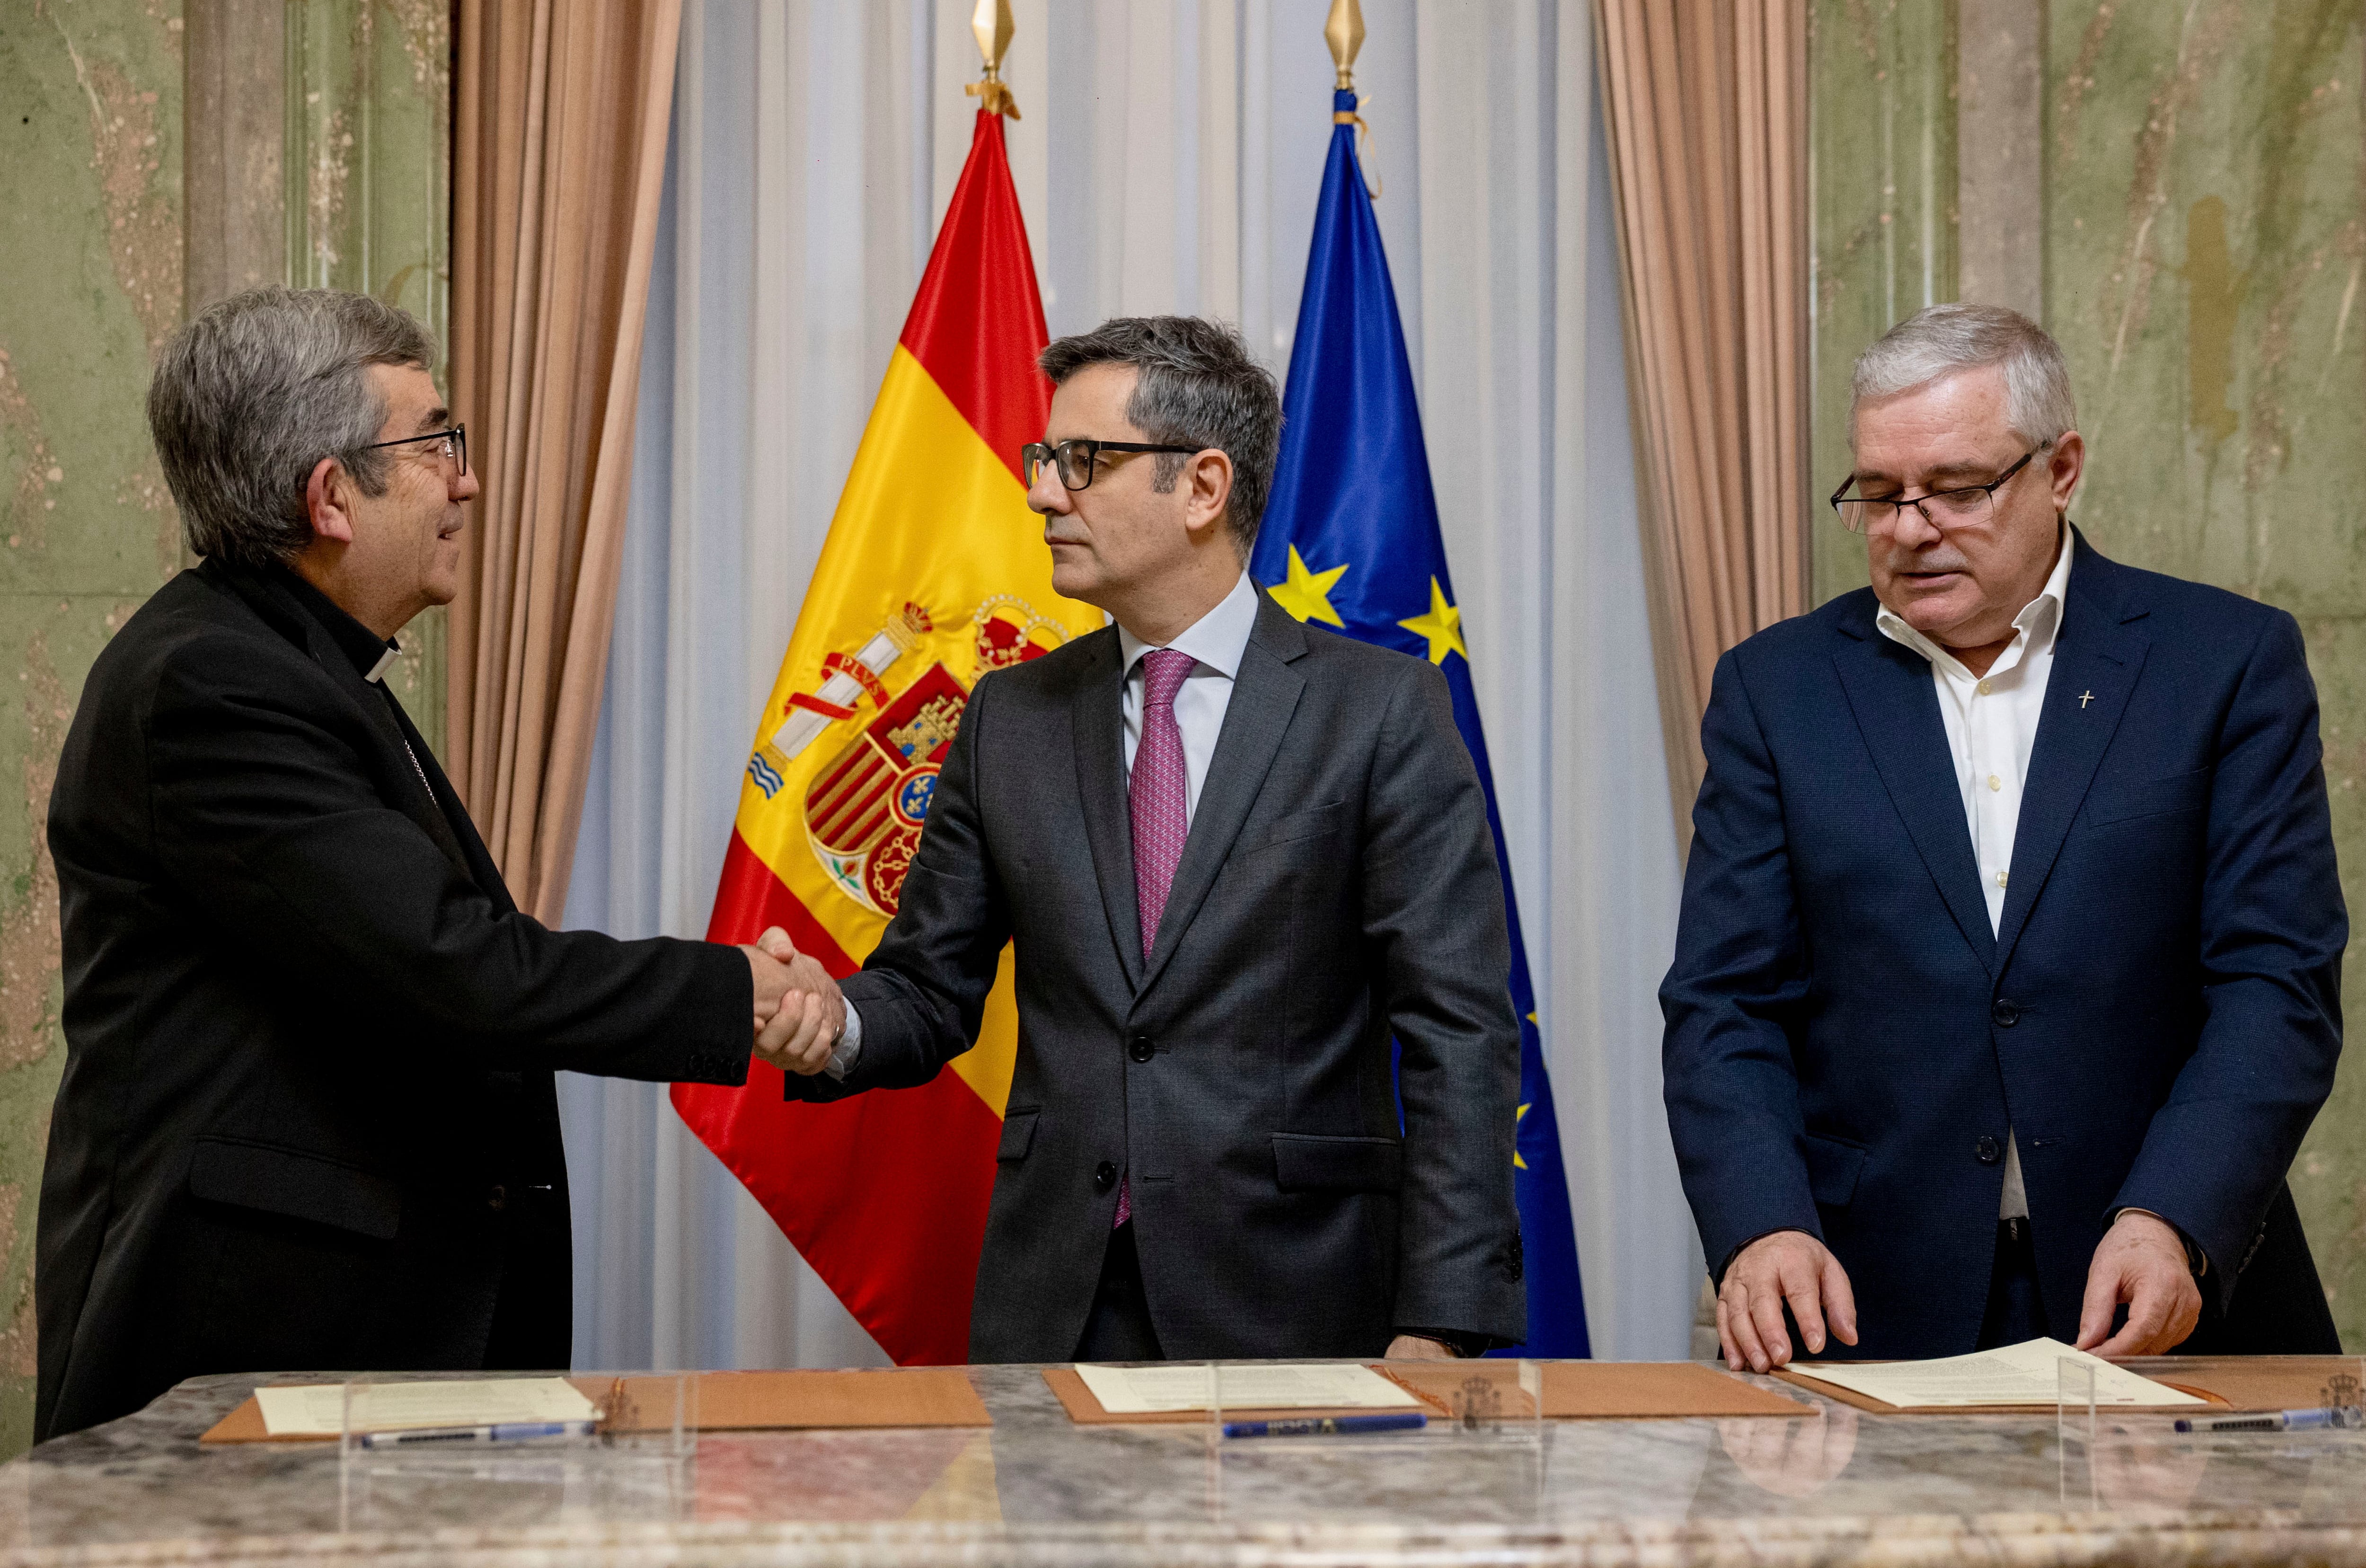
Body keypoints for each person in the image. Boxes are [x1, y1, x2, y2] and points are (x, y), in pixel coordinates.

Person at [37, 287, 834, 1441]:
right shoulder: (217, 684)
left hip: (347, 1339)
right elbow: (453, 963)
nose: (465, 480)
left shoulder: (300, 661)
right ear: (331, 496)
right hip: (251, 1346)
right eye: (435, 443)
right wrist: (739, 992)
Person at [766, 316, 1527, 1362]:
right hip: (1058, 1303)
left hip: (1300, 1299)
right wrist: (827, 1017)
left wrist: (1439, 1320)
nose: (1040, 492)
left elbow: (1457, 1029)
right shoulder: (1006, 718)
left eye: (1083, 461)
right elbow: (928, 989)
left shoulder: (1378, 711)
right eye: (1047, 458)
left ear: (1203, 487)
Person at [1663, 303, 2346, 1371]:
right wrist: (1760, 1221)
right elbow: (1724, 1000)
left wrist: (2173, 1211)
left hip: (2164, 1288)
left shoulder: (2223, 663)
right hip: (1865, 1304)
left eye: (1956, 487)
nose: (1909, 525)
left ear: (2060, 468)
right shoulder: (1777, 689)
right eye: (1879, 495)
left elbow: (2277, 982)